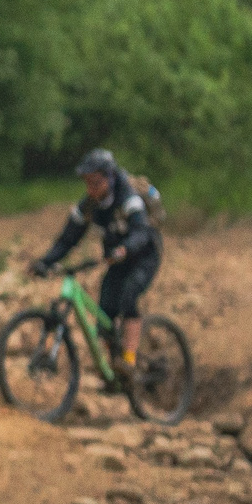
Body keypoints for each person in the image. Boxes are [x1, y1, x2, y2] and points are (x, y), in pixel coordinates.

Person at [32, 148, 158, 371]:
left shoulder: (129, 199)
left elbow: (141, 233)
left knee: (129, 296)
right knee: (105, 311)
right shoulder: (89, 205)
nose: (91, 189)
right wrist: (46, 261)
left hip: (143, 257)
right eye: (87, 183)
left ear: (109, 178)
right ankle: (113, 369)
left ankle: (129, 360)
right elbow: (68, 239)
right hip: (116, 261)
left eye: (96, 183)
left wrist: (124, 249)